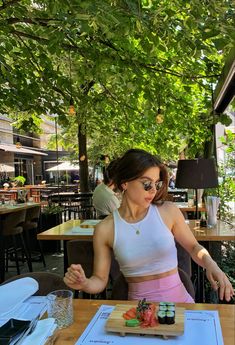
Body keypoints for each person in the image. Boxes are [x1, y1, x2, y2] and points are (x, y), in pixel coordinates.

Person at [64, 149, 234, 303]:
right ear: (125, 183)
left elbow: (193, 247)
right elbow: (100, 280)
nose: (153, 190)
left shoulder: (168, 211)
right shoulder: (105, 229)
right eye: (146, 184)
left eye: (156, 183)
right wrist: (84, 283)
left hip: (180, 307)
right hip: (137, 313)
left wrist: (211, 264)